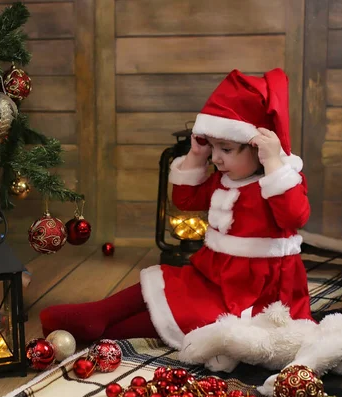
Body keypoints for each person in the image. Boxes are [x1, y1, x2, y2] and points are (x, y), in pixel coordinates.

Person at [40, 68, 314, 351]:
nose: (216, 158)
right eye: (212, 147)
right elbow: (186, 200)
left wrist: (273, 166)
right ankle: (100, 312)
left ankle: (99, 332)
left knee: (187, 316)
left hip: (258, 289)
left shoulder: (282, 180)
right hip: (216, 272)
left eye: (226, 149)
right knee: (165, 284)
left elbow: (295, 216)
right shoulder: (225, 178)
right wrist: (196, 155)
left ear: (260, 149)